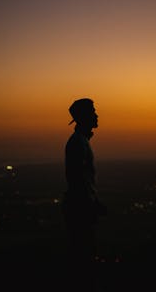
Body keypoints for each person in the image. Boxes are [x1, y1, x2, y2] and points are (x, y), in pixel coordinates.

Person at [62, 98, 106, 267]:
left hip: (81, 208)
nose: (96, 115)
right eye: (93, 112)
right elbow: (78, 180)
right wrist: (90, 205)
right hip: (81, 210)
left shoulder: (81, 141)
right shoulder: (78, 143)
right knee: (83, 258)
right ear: (84, 117)